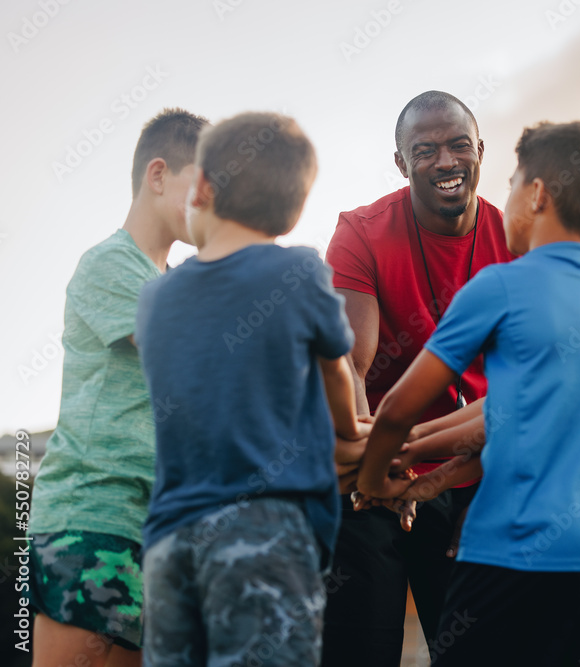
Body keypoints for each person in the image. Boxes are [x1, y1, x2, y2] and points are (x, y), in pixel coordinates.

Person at [358, 121, 580, 666]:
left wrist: (373, 482)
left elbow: (396, 408)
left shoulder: (499, 285)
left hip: (514, 554)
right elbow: (522, 421)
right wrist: (427, 481)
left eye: (512, 183)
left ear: (536, 195)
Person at [134, 112, 368, 667]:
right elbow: (337, 366)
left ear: (204, 189)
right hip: (264, 530)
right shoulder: (300, 272)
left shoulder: (156, 298)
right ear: (293, 210)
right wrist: (347, 427)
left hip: (168, 540)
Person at [322, 90, 514, 665]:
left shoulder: (519, 243)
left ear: (480, 149)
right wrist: (373, 465)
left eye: (458, 146)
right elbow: (350, 366)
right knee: (362, 647)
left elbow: (520, 388)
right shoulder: (360, 232)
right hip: (373, 470)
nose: (446, 162)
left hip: (478, 471)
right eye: (425, 150)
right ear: (402, 164)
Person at [27, 108, 208, 667]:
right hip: (94, 518)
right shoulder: (110, 264)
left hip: (148, 526)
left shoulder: (169, 284)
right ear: (158, 176)